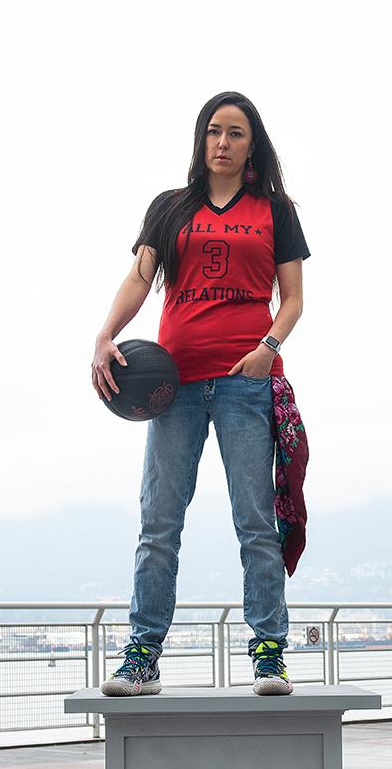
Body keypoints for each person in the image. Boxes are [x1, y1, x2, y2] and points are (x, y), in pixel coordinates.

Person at [91, 91, 310, 698]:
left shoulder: (276, 211)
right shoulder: (170, 209)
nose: (223, 142)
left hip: (245, 383)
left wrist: (267, 345)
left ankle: (269, 655)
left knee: (255, 523)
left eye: (236, 133)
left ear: (252, 145)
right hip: (173, 386)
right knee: (158, 524)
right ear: (200, 139)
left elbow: (293, 298)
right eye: (214, 131)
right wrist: (105, 336)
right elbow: (139, 282)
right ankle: (142, 658)